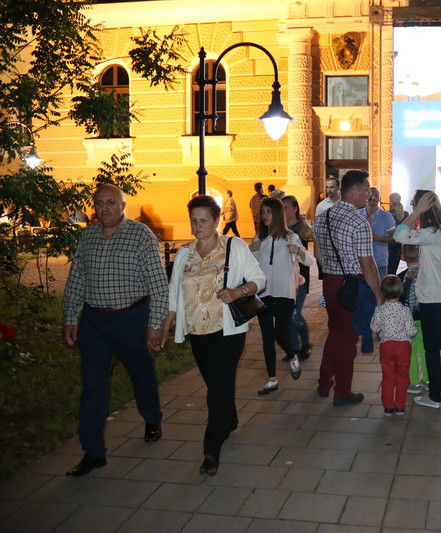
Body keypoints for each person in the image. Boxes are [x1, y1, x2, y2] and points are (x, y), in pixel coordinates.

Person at [62, 184, 169, 476]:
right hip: (94, 322)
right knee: (92, 386)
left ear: (122, 206)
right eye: (99, 203)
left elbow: (158, 285)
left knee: (141, 374)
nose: (104, 208)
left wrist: (155, 325)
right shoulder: (88, 236)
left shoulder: (140, 235)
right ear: (94, 207)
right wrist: (70, 317)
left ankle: (152, 417)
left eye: (111, 202)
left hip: (131, 319)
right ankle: (93, 451)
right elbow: (77, 279)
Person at [160, 195, 265, 476]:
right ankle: (229, 419)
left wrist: (237, 292)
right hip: (197, 332)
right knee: (217, 384)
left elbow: (259, 279)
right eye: (194, 220)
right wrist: (167, 322)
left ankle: (211, 451)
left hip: (227, 332)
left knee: (217, 389)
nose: (198, 226)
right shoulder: (184, 253)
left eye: (204, 220)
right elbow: (174, 291)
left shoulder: (234, 246)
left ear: (217, 220)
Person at [312, 169, 381, 406]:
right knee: (347, 341)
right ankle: (342, 392)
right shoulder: (358, 223)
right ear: (354, 191)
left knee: (335, 333)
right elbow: (367, 264)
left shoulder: (322, 217)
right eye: (366, 189)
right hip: (351, 286)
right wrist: (377, 294)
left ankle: (324, 382)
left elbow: (319, 257)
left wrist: (334, 267)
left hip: (330, 282)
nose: (369, 194)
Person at [394, 190, 441, 409]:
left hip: (433, 296)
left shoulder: (431, 232)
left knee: (432, 347)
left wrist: (416, 213)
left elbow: (399, 235)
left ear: (424, 206)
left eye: (415, 204)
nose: (413, 208)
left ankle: (434, 396)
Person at [250, 197, 314, 394]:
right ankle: (271, 379)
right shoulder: (259, 238)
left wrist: (299, 251)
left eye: (269, 211)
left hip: (285, 294)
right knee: (267, 337)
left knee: (281, 334)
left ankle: (292, 355)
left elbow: (309, 261)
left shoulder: (290, 237)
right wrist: (250, 250)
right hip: (263, 294)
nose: (265, 216)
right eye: (263, 212)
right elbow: (248, 264)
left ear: (277, 214)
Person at [370, 275, 417, 416]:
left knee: (388, 377)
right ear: (400, 291)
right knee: (402, 377)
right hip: (403, 347)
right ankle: (400, 406)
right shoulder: (405, 310)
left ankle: (388, 407)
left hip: (387, 346)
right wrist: (413, 332)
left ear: (382, 292)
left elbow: (374, 327)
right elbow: (411, 331)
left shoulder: (380, 310)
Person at [282, 195, 314, 361]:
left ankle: (305, 343)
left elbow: (308, 234)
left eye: (286, 207)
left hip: (299, 277)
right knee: (288, 315)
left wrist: (303, 220)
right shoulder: (279, 227)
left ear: (295, 208)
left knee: (294, 314)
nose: (283, 211)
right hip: (283, 277)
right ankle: (294, 348)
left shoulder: (299, 226)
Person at [398, 244, 427, 395]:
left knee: (411, 352)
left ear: (402, 257)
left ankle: (413, 382)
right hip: (425, 319)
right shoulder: (427, 274)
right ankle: (427, 379)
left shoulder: (400, 277)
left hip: (408, 320)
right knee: (425, 350)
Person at [359, 187, 395, 279]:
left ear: (379, 198)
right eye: (371, 195)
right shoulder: (357, 215)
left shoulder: (387, 216)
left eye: (376, 195)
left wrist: (378, 238)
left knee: (380, 287)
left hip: (379, 262)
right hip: (360, 262)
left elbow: (394, 238)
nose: (373, 198)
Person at [387, 192, 408, 275]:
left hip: (389, 243)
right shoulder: (405, 214)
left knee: (389, 270)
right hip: (399, 244)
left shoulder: (388, 214)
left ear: (391, 201)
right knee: (394, 269)